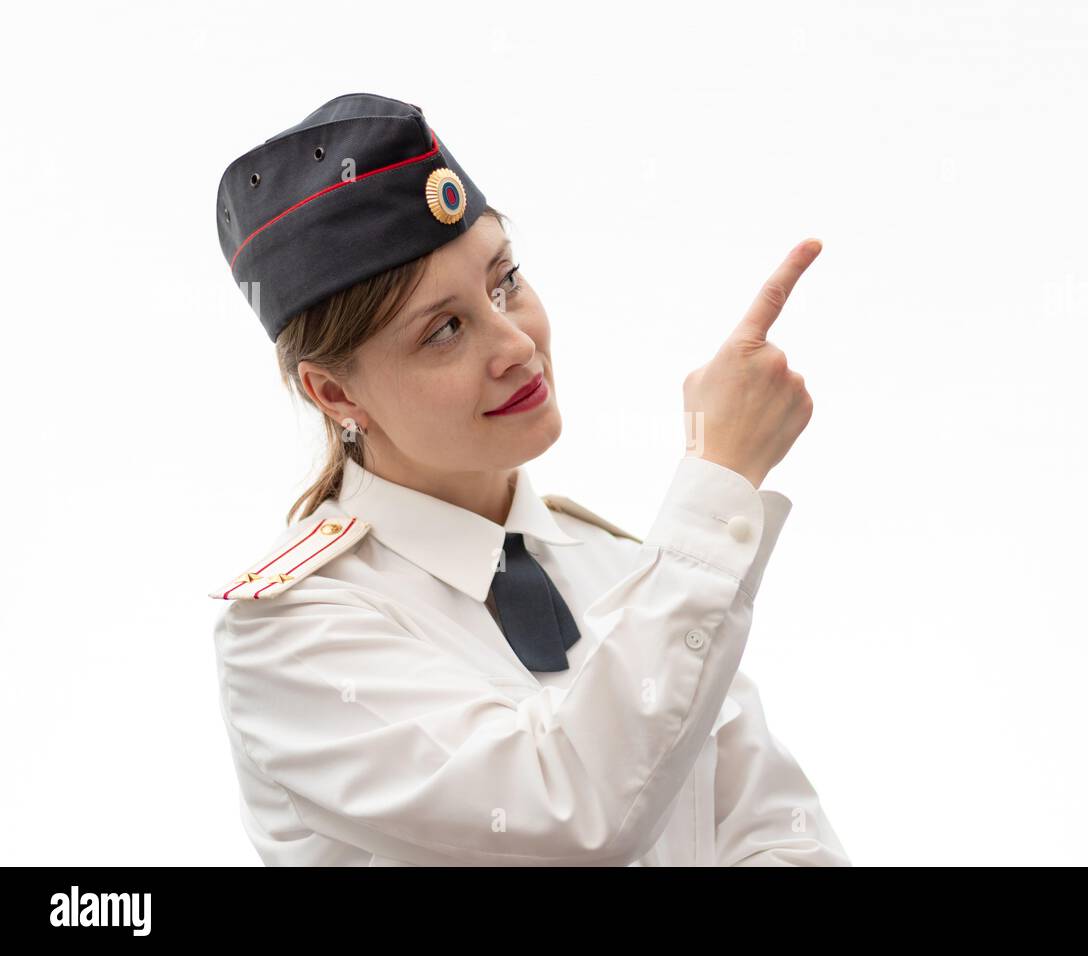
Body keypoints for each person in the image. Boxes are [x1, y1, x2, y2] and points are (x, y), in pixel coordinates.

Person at [208, 92, 851, 866]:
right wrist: (720, 479)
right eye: (444, 329)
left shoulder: (624, 566)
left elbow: (781, 835)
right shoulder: (292, 637)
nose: (516, 341)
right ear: (336, 394)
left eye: (504, 280)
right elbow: (570, 813)